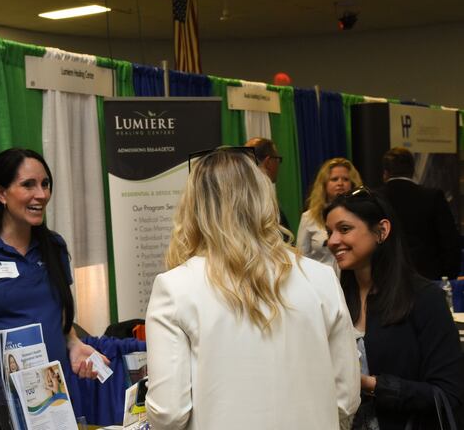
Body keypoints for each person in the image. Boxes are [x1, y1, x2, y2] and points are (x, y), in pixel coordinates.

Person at [145, 147, 360, 430]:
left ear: (194, 209)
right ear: (263, 198)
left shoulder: (175, 288)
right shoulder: (321, 278)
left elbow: (169, 413)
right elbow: (346, 398)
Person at [0, 148, 107, 430]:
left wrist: (74, 344)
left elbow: (59, 320)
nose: (40, 194)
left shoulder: (54, 247)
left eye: (45, 184)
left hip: (50, 399)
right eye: (28, 185)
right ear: (1, 194)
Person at [324, 187, 464, 430]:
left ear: (382, 230)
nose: (332, 241)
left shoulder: (424, 299)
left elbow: (447, 394)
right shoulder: (334, 299)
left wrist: (370, 384)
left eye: (344, 229)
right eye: (329, 232)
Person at [381, 147, 460, 280]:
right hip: (428, 277)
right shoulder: (433, 197)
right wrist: (448, 276)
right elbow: (450, 241)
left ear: (385, 173)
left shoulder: (375, 198)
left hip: (386, 277)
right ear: (413, 171)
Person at [297, 157, 362, 272]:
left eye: (345, 179)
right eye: (334, 179)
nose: (340, 183)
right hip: (320, 279)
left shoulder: (360, 214)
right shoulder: (309, 217)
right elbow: (301, 258)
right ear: (324, 184)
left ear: (352, 184)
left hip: (352, 278)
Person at [244, 137, 292, 234]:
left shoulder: (238, 198)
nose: (278, 164)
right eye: (278, 159)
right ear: (268, 162)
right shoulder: (266, 204)